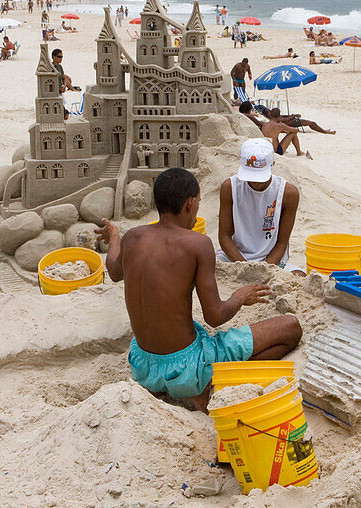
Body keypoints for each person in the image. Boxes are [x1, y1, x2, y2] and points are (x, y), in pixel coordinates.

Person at [98, 167, 301, 413]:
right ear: (189, 204)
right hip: (187, 369)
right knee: (291, 328)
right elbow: (214, 317)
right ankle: (212, 384)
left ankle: (173, 386)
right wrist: (239, 298)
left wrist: (115, 237)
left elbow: (114, 272)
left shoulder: (132, 237)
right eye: (198, 204)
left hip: (143, 367)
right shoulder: (198, 244)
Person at [218, 139, 306, 279]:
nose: (255, 182)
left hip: (271, 259)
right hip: (234, 257)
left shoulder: (288, 193)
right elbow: (224, 236)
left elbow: (282, 242)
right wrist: (245, 267)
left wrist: (264, 270)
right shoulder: (230, 187)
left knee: (299, 276)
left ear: (272, 164)